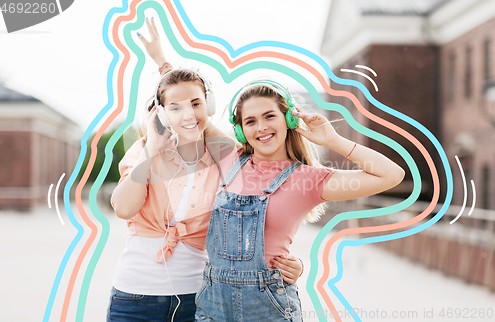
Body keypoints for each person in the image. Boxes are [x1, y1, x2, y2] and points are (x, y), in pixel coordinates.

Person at [107, 18, 302, 322]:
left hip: (198, 301)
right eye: (175, 108)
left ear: (209, 106)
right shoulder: (145, 150)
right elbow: (123, 207)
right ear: (161, 113)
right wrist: (151, 150)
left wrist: (291, 264)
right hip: (134, 298)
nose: (187, 113)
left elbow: (265, 216)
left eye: (197, 104)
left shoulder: (225, 158)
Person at [194, 81, 405, 321]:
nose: (261, 127)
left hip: (268, 308)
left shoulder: (308, 179)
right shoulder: (229, 157)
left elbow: (392, 175)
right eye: (250, 121)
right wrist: (161, 61)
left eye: (269, 116)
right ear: (241, 130)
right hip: (213, 306)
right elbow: (189, 107)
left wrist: (332, 140)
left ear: (289, 120)